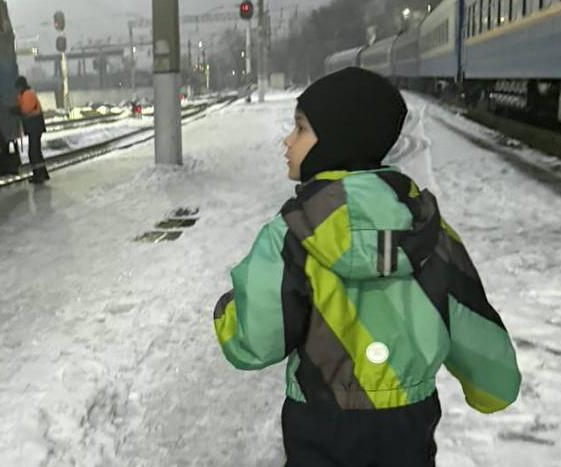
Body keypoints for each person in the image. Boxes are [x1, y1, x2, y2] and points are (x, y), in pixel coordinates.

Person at [211, 67, 521, 467]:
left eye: (300, 129)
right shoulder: (433, 236)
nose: (287, 141)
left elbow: (253, 343)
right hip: (408, 432)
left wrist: (227, 309)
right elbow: (490, 365)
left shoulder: (290, 236)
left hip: (319, 430)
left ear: (337, 138)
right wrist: (489, 388)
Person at [14, 76, 49, 184]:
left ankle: (39, 176)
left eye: (18, 87)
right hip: (34, 126)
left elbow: (25, 110)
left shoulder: (28, 94)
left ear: (21, 86)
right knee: (36, 151)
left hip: (35, 125)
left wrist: (13, 110)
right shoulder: (24, 94)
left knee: (33, 152)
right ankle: (43, 174)